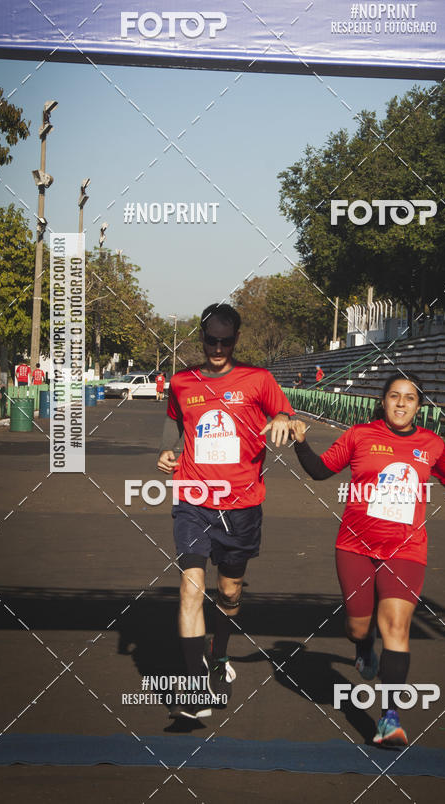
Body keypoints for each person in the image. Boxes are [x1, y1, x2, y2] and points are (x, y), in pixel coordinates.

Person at [289, 373, 445, 746]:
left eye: (409, 398)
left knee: (396, 626)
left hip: (406, 550)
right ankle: (363, 647)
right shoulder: (359, 435)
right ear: (383, 402)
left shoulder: (431, 444)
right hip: (355, 547)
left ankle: (389, 718)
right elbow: (320, 471)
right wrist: (301, 444)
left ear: (419, 406)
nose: (401, 403)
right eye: (394, 396)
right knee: (358, 628)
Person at [157, 303, 295, 720]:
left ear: (236, 339)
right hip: (194, 497)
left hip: (242, 506)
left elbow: (284, 411)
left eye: (226, 342)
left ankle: (218, 654)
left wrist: (283, 419)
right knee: (190, 587)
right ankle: (195, 687)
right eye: (211, 341)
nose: (217, 349)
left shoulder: (258, 379)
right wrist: (167, 449)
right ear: (201, 338)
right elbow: (174, 420)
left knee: (229, 592)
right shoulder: (183, 381)